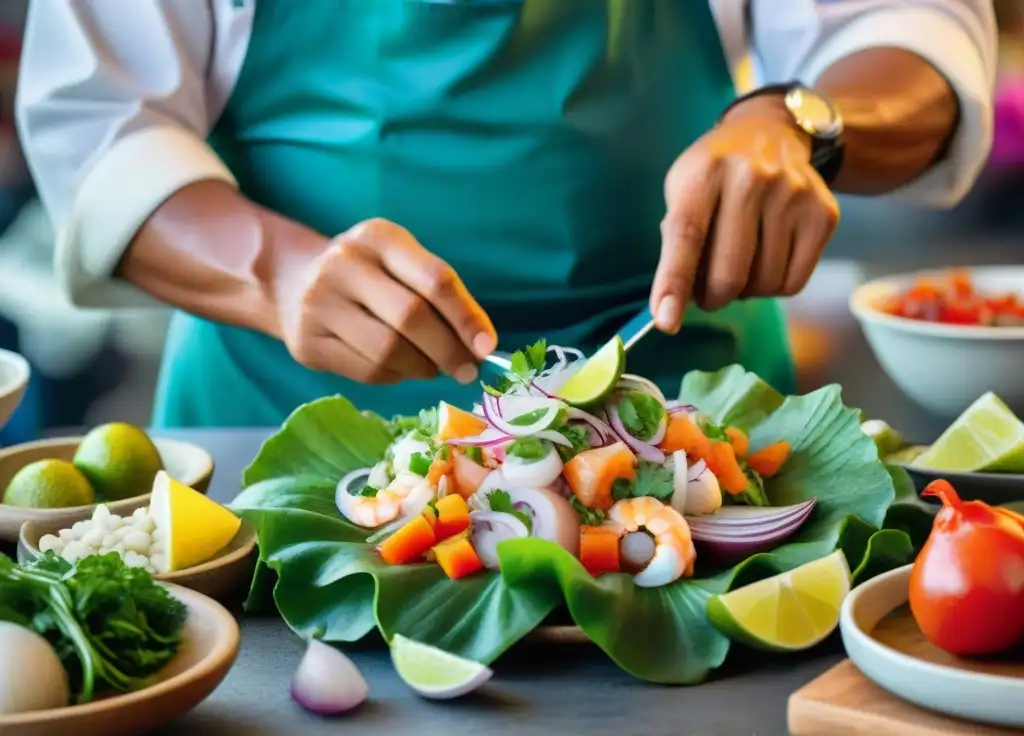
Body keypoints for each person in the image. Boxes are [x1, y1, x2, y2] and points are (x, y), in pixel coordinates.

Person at [16, 1, 997, 428]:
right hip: (288, 435)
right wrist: (281, 278)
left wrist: (804, 125)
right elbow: (100, 121)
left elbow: (909, 30)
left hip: (704, 437)